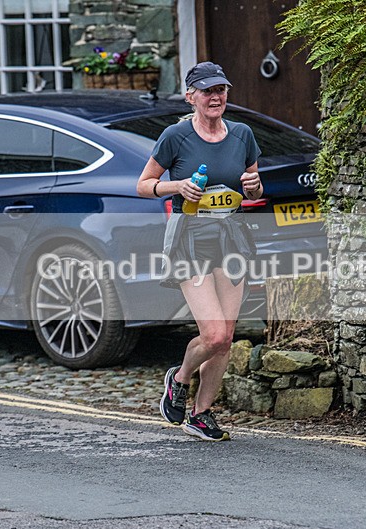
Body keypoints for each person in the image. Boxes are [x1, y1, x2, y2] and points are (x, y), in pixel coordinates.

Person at [136, 61, 263, 442]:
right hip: (190, 239)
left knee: (226, 336)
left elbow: (253, 191)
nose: (216, 96)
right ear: (191, 96)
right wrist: (176, 188)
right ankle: (179, 378)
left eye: (221, 89)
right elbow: (144, 185)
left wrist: (254, 187)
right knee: (213, 335)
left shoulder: (242, 135)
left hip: (232, 237)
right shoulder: (175, 136)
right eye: (207, 91)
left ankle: (202, 413)